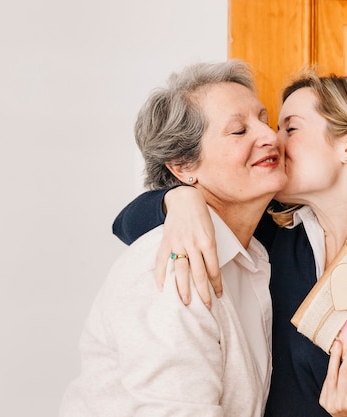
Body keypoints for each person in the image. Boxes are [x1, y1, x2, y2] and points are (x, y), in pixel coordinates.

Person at [113, 72, 347, 416]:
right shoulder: (264, 238)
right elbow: (126, 224)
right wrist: (179, 200)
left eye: (290, 128)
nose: (273, 139)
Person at [59, 60, 289, 416]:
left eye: (264, 119)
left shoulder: (255, 254)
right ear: (184, 166)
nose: (271, 136)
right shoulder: (173, 268)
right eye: (239, 130)